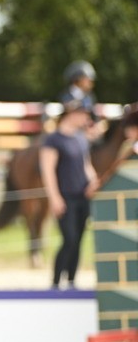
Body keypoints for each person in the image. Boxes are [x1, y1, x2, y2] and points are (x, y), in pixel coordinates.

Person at [40, 99, 98, 289]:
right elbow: (48, 171)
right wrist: (54, 197)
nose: (86, 118)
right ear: (71, 114)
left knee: (79, 239)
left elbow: (86, 164)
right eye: (83, 114)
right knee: (69, 239)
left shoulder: (81, 138)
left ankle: (72, 280)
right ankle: (56, 281)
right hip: (65, 196)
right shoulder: (54, 140)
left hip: (83, 196)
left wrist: (94, 181)